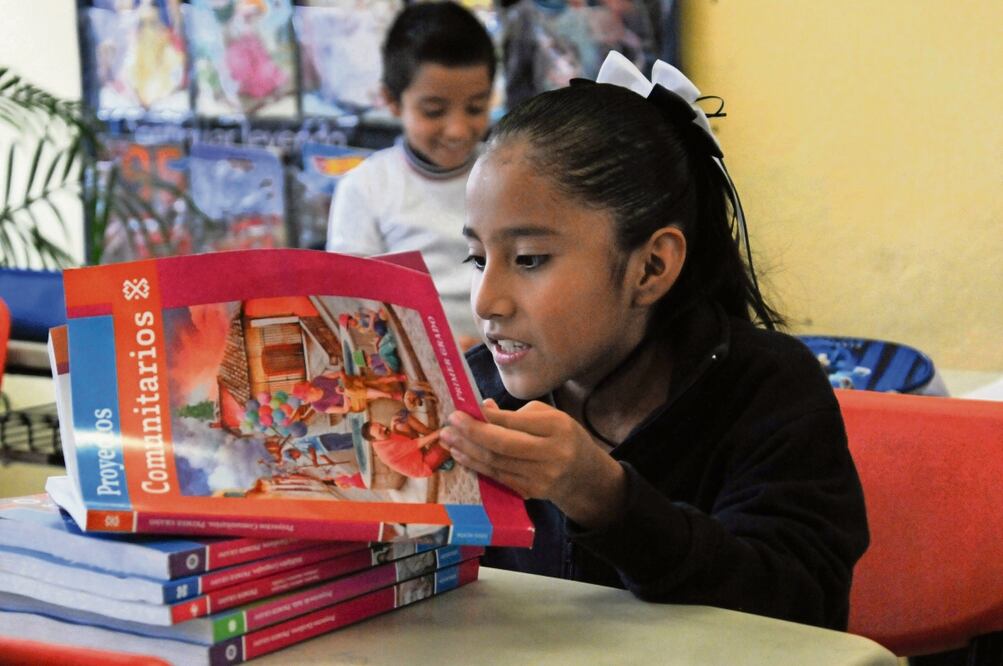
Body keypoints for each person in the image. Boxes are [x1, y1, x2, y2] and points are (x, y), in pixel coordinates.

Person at [439, 51, 869, 630]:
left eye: (530, 259)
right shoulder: (471, 397)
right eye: (476, 257)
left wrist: (607, 498)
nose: (487, 300)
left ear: (651, 268)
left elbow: (800, 611)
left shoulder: (768, 391)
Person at [327, 1, 496, 349]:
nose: (458, 129)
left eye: (476, 108)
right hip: (413, 363)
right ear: (391, 101)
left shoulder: (505, 174)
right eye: (434, 111)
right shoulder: (365, 188)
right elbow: (351, 304)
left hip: (505, 358)